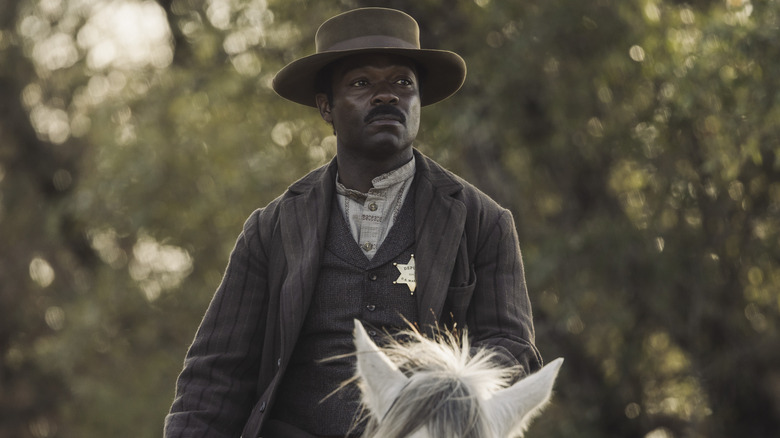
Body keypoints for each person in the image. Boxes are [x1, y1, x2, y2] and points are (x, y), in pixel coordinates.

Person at [164, 7, 542, 438]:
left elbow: (510, 355)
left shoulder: (484, 223)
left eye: (403, 83)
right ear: (326, 106)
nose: (387, 96)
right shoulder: (270, 229)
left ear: (419, 101)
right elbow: (215, 375)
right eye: (361, 83)